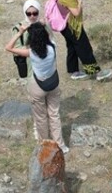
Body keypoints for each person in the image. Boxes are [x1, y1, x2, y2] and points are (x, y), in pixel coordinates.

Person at [5, 21, 67, 152]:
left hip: (37, 86)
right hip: (53, 84)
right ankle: (60, 145)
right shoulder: (52, 47)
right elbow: (51, 35)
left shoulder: (31, 53)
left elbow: (9, 47)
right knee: (54, 115)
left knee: (41, 118)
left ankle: (45, 145)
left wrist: (20, 32)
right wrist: (45, 25)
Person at [51, 0, 112, 82]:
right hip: (73, 27)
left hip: (64, 27)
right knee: (84, 48)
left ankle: (73, 71)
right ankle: (95, 72)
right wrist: (79, 3)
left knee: (72, 47)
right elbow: (76, 12)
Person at [8, 0, 43, 79]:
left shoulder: (43, 25)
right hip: (28, 63)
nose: (32, 16)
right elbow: (15, 50)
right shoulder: (18, 28)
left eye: (35, 13)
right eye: (28, 14)